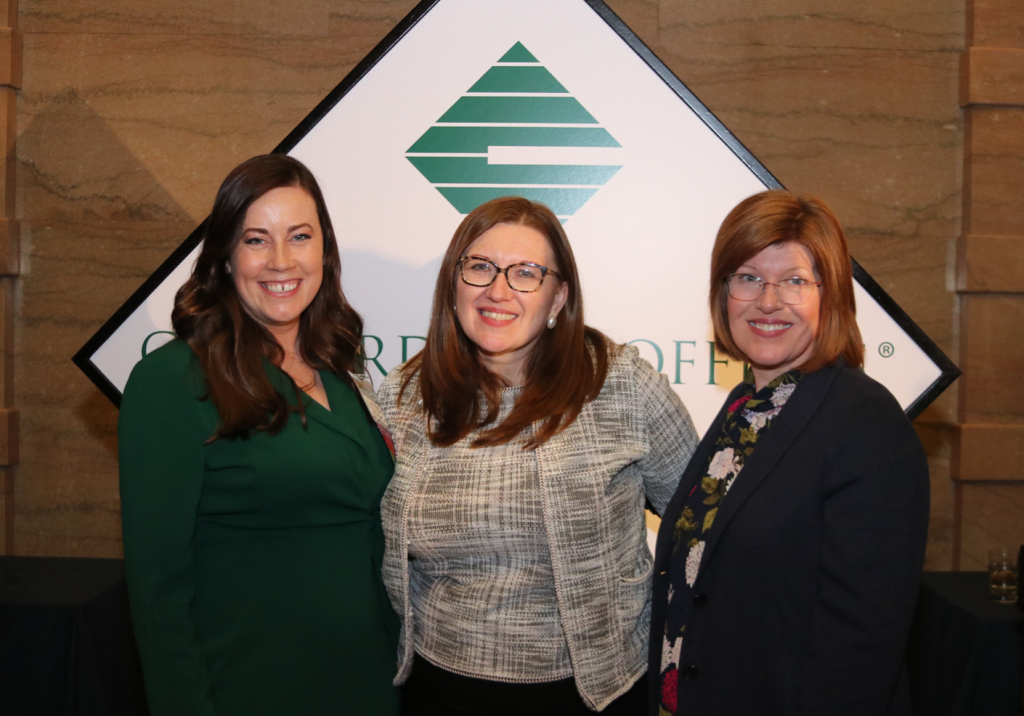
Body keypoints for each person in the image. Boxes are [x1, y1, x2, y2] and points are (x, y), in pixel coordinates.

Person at [377, 196, 698, 715]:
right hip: (438, 692)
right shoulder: (405, 398)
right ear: (453, 284)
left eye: (526, 273)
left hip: (596, 695)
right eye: (480, 267)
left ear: (557, 299)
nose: (497, 290)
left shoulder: (621, 385)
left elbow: (704, 525)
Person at [119, 154, 399, 716]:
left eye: (299, 236)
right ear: (224, 255)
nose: (280, 261)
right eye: (255, 240)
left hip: (370, 685)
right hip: (249, 689)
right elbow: (159, 594)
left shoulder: (343, 371)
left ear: (325, 250)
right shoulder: (173, 380)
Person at [649, 190, 930, 716]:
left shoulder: (866, 423)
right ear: (723, 292)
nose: (768, 301)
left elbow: (861, 645)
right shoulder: (744, 409)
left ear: (832, 296)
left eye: (795, 281)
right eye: (748, 277)